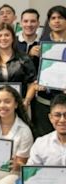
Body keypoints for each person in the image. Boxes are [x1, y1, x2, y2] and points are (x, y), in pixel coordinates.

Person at [16, 93, 66, 184]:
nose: (62, 120)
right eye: (57, 115)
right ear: (50, 117)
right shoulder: (41, 143)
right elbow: (29, 172)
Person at [0, 23, 36, 114]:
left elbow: (32, 83)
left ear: (13, 38)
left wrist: (27, 101)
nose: (3, 38)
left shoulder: (24, 59)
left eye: (7, 35)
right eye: (0, 36)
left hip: (20, 106)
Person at [33, 5, 66, 137]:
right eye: (53, 18)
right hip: (44, 101)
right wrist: (37, 83)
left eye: (60, 17)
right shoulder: (41, 44)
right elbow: (33, 74)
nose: (57, 21)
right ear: (49, 22)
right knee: (45, 139)